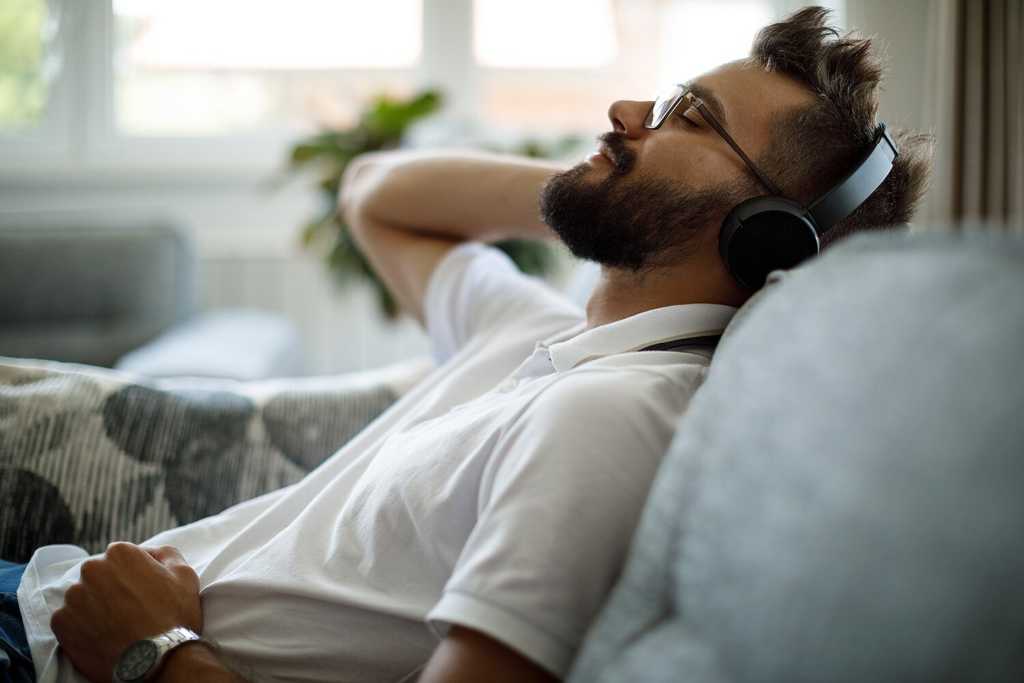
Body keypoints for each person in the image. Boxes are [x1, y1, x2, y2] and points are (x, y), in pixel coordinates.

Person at [2, 7, 932, 683]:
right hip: (34, 606)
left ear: (763, 234)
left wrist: (154, 656)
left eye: (689, 116)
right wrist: (612, 184)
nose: (626, 109)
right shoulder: (546, 337)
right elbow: (376, 195)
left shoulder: (607, 420)